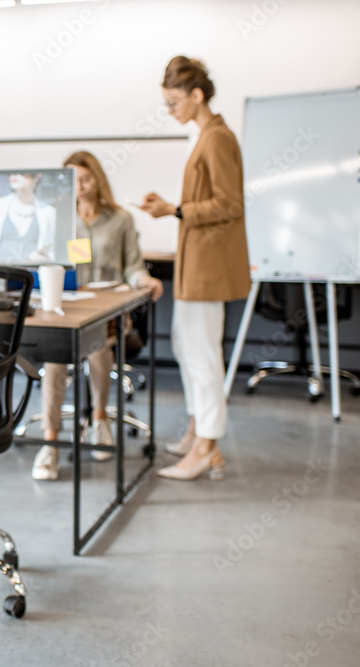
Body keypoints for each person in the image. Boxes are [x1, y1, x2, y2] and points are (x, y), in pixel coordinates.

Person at [140, 56, 250, 482]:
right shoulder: (205, 136)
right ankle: (197, 431)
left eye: (173, 103)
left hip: (208, 267)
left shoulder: (218, 138)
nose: (171, 112)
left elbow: (231, 203)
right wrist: (172, 210)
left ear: (196, 95)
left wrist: (175, 209)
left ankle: (208, 447)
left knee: (202, 356)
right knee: (188, 349)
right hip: (195, 263)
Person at [32, 152, 164, 481]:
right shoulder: (57, 220)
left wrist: (143, 280)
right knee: (54, 360)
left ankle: (100, 418)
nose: (80, 187)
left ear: (98, 178)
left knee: (97, 348)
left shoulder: (120, 219)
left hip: (108, 310)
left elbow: (133, 265)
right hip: (69, 305)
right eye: (72, 182)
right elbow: (42, 260)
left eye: (86, 179)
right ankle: (50, 442)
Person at [0, 172, 57, 263]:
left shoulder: (48, 212)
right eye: (11, 171)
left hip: (30, 274)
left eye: (23, 172)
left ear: (37, 176)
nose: (15, 175)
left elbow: (51, 251)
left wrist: (46, 260)